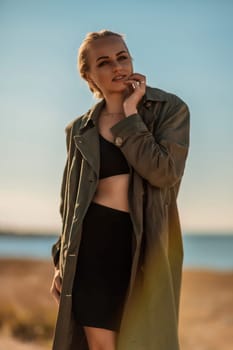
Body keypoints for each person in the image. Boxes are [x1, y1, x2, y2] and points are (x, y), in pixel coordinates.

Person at [50, 29, 190, 350]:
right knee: (100, 346)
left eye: (122, 57)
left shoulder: (168, 110)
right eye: (104, 62)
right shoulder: (79, 129)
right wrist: (61, 260)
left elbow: (164, 173)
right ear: (89, 75)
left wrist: (130, 115)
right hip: (90, 248)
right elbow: (69, 203)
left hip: (143, 245)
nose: (117, 67)